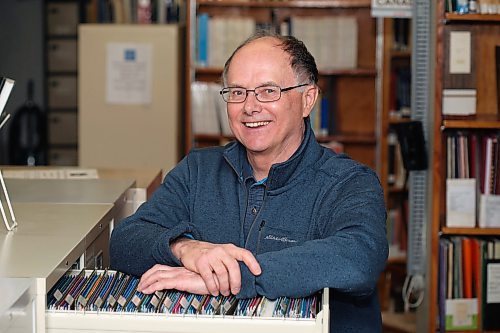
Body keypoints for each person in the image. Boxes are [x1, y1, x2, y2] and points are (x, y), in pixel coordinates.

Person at [110, 31, 388, 332]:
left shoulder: (349, 182)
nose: (250, 107)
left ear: (308, 100)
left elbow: (359, 256)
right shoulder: (198, 169)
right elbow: (125, 241)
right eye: (237, 92)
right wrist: (184, 249)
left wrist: (237, 276)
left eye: (268, 91)